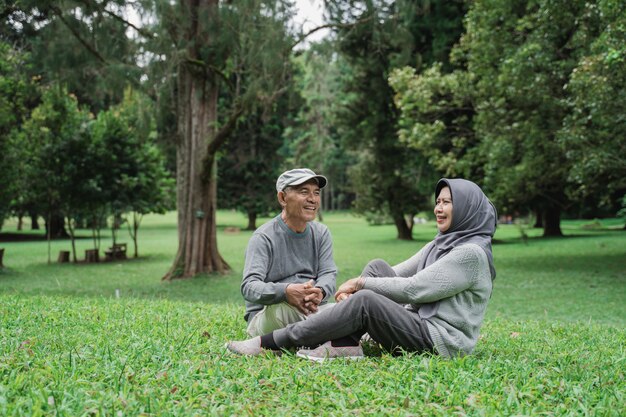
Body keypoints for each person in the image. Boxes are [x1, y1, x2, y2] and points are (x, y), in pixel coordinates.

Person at [226, 178, 497, 361]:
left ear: (466, 209)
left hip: (441, 342)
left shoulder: (469, 254)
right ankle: (346, 342)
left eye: (447, 202)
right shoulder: (442, 243)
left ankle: (267, 343)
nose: (439, 208)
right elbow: (399, 272)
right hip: (419, 322)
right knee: (377, 268)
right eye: (438, 201)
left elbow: (415, 288)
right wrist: (364, 281)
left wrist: (361, 286)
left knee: (366, 299)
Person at [240, 168, 337, 338]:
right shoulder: (263, 237)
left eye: (316, 193)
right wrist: (286, 292)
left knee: (353, 306)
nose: (312, 199)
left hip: (312, 309)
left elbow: (328, 273)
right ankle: (330, 332)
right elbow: (249, 287)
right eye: (304, 192)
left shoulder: (321, 233)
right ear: (282, 198)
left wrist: (320, 291)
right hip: (270, 314)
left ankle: (322, 331)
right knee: (285, 309)